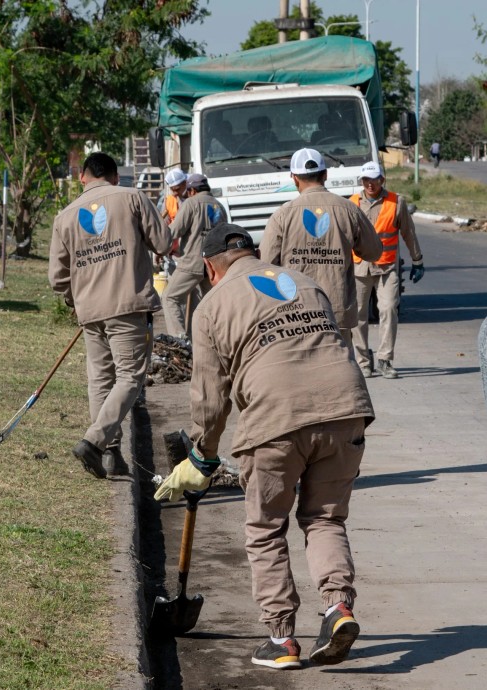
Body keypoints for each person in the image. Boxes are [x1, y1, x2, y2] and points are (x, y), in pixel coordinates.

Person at [155, 222, 374, 671]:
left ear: (210, 268)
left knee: (266, 528)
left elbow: (209, 396)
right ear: (254, 253)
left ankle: (280, 638)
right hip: (346, 408)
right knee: (325, 518)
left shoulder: (213, 305)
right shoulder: (307, 284)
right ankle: (338, 608)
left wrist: (203, 455)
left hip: (276, 419)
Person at [49, 152, 172, 479]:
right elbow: (163, 241)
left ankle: (111, 453)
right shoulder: (132, 197)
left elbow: (57, 277)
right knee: (130, 377)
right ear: (115, 176)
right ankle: (94, 441)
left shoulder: (65, 216)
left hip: (90, 311)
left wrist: (73, 299)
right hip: (128, 306)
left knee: (100, 379)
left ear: (82, 178)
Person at [259, 148, 383, 344]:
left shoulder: (282, 215)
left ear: (294, 178)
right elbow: (374, 252)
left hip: (296, 315)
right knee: (340, 371)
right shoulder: (349, 210)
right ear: (325, 175)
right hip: (337, 314)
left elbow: (265, 265)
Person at [350, 162, 425, 379]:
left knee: (389, 308)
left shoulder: (396, 202)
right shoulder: (352, 203)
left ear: (382, 180)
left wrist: (417, 260)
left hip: (387, 266)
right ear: (361, 182)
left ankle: (385, 359)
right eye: (365, 180)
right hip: (359, 267)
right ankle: (364, 361)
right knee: (358, 315)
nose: (370, 184)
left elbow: (408, 233)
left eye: (374, 179)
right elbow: (344, 236)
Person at [160, 173, 228, 339]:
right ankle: (208, 339)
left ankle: (180, 339)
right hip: (214, 264)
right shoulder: (219, 206)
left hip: (192, 263)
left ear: (191, 191)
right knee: (206, 304)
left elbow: (174, 231)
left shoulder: (191, 203)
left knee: (170, 298)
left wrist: (158, 245)